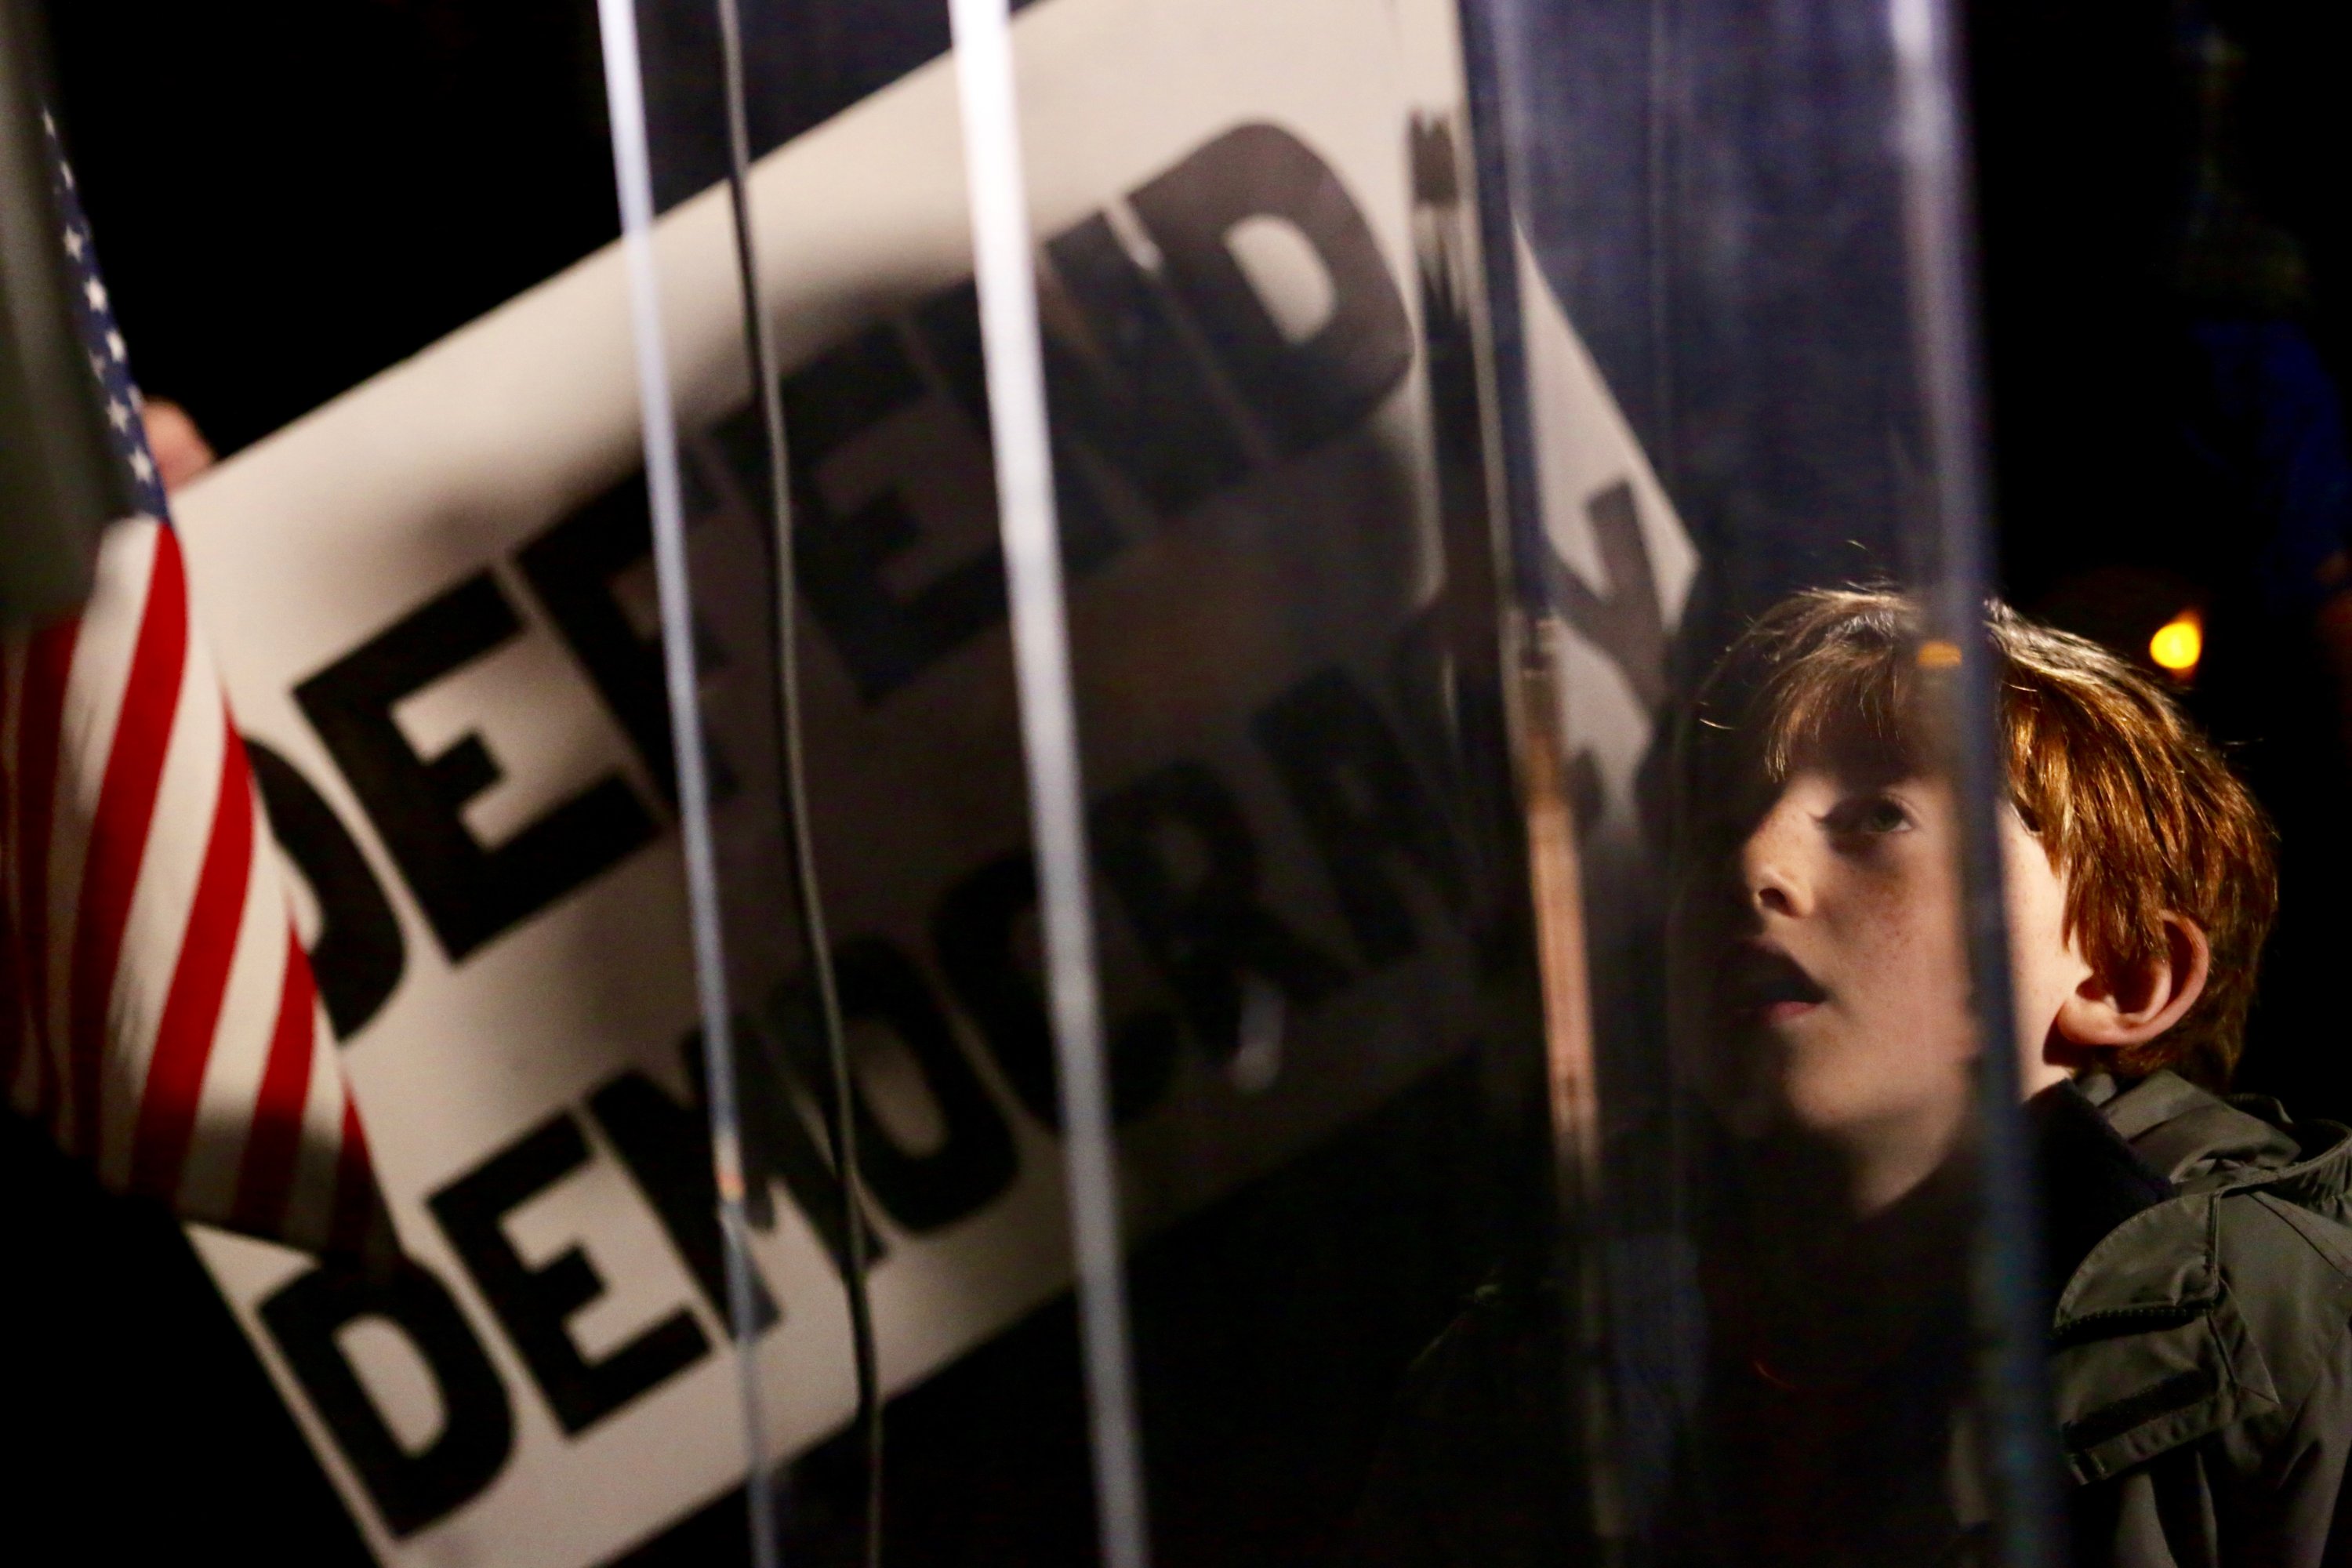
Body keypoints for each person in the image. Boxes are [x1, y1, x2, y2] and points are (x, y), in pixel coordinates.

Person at [1356, 588, 2352, 1566]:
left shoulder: (2288, 1345)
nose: (1754, 858)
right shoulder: (1520, 1372)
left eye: (1878, 814)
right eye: (1714, 826)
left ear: (2126, 977)